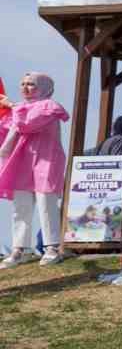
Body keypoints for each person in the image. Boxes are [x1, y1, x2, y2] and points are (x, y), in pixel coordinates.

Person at [0, 73, 71, 267]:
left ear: (44, 86)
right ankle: (19, 249)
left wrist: (13, 106)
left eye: (31, 84)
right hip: (22, 161)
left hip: (46, 159)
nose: (25, 88)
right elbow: (7, 128)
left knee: (46, 203)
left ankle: (52, 247)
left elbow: (27, 124)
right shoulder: (20, 109)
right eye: (23, 84)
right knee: (20, 206)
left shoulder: (49, 106)